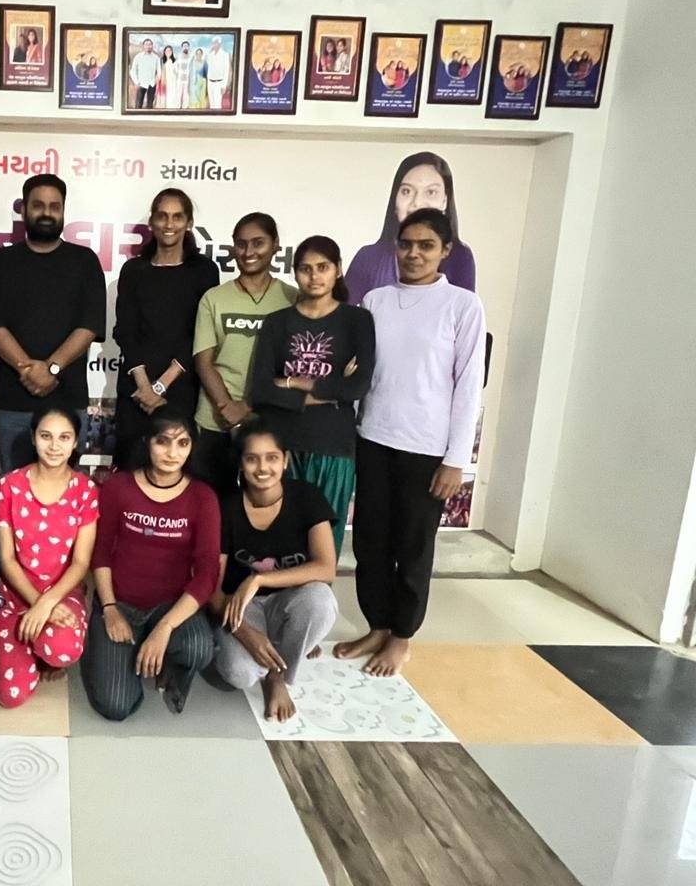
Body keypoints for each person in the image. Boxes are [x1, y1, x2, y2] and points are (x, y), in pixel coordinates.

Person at [336, 208, 485, 677]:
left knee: (414, 547)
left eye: (426, 245)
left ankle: (401, 637)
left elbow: (468, 386)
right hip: (373, 438)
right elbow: (361, 374)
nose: (414, 254)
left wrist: (456, 460)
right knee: (371, 543)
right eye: (406, 244)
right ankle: (377, 625)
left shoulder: (462, 306)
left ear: (445, 251)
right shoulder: (376, 301)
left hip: (427, 450)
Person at [84, 412, 219, 719]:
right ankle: (121, 649)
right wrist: (109, 608)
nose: (172, 453)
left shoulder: (203, 497)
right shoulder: (119, 486)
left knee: (199, 648)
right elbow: (100, 553)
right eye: (163, 441)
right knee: (116, 706)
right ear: (147, 442)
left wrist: (165, 627)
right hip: (120, 604)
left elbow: (208, 573)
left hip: (171, 607)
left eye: (182, 443)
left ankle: (167, 662)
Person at [250, 236, 375, 554]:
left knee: (323, 545)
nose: (314, 276)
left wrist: (291, 382)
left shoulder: (357, 321)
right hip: (282, 446)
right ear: (295, 273)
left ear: (338, 270)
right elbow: (260, 390)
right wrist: (332, 390)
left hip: (332, 447)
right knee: (278, 543)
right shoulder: (277, 323)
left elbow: (357, 387)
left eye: (323, 267)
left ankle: (315, 590)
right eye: (305, 269)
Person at [210, 420, 339, 722]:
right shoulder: (226, 507)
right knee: (239, 673)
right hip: (241, 608)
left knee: (321, 601)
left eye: (271, 458)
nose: (262, 468)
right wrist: (245, 633)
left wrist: (259, 579)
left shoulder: (306, 497)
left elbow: (326, 568)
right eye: (252, 459)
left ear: (285, 461)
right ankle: (284, 649)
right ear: (240, 464)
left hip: (291, 601)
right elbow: (212, 589)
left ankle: (277, 677)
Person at [0, 173, 106, 472]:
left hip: (67, 402)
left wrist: (51, 369)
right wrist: (28, 370)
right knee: (14, 490)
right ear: (24, 210)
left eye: (54, 206)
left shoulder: (85, 261)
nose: (46, 213)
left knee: (66, 492)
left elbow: (89, 325)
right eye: (38, 205)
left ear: (63, 211)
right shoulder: (1, 262)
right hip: (15, 403)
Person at [0, 408, 97, 708]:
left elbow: (81, 562)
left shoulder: (86, 490)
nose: (54, 446)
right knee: (10, 696)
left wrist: (46, 603)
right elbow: (7, 559)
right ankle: (25, 651)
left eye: (64, 437)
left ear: (75, 442)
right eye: (46, 436)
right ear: (33, 438)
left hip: (61, 595)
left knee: (62, 650)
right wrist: (36, 603)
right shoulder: (8, 486)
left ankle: (42, 648)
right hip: (14, 595)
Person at [113, 188, 219, 469]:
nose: (169, 224)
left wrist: (160, 386)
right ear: (152, 222)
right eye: (162, 216)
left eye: (177, 216)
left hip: (181, 387)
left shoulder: (204, 271)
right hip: (135, 389)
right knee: (130, 471)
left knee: (176, 472)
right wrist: (144, 386)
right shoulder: (134, 270)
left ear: (189, 222)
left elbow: (200, 333)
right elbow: (125, 331)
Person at [191, 212, 297, 489]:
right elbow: (204, 361)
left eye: (258, 243)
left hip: (269, 420)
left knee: (263, 505)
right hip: (216, 420)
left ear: (275, 244)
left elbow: (293, 366)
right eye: (241, 244)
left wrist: (246, 406)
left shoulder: (292, 299)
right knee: (212, 504)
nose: (249, 252)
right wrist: (227, 407)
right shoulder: (214, 298)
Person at [345, 151, 477, 305]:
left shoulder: (460, 256)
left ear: (445, 201)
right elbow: (342, 314)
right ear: (395, 200)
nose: (417, 203)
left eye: (431, 192)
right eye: (407, 191)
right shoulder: (368, 257)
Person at [130, 38, 161, 109]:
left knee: (150, 105)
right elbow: (133, 70)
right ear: (143, 46)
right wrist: (136, 82)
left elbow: (159, 71)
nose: (148, 46)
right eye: (146, 44)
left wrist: (155, 81)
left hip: (151, 84)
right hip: (140, 83)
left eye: (150, 44)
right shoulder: (138, 57)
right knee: (138, 105)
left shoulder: (156, 58)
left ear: (152, 46)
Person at [205, 36, 231, 110]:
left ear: (220, 44)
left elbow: (226, 70)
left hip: (219, 83)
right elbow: (206, 61)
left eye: (215, 43)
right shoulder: (210, 55)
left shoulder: (225, 54)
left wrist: (224, 86)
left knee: (217, 105)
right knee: (212, 104)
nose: (214, 44)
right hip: (210, 82)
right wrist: (209, 51)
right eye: (213, 43)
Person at [158, 44, 176, 108]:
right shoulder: (161, 61)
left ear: (172, 52)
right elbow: (159, 72)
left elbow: (177, 72)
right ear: (164, 52)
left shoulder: (175, 61)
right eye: (166, 51)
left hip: (173, 82)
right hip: (164, 81)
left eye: (169, 51)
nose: (168, 52)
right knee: (164, 99)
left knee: (171, 97)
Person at [175, 41, 192, 107]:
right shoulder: (178, 57)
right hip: (179, 79)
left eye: (187, 46)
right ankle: (177, 107)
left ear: (188, 47)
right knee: (178, 94)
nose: (185, 47)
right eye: (184, 46)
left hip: (187, 80)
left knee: (186, 94)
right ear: (182, 48)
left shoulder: (191, 58)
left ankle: (185, 107)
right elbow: (175, 68)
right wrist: (177, 75)